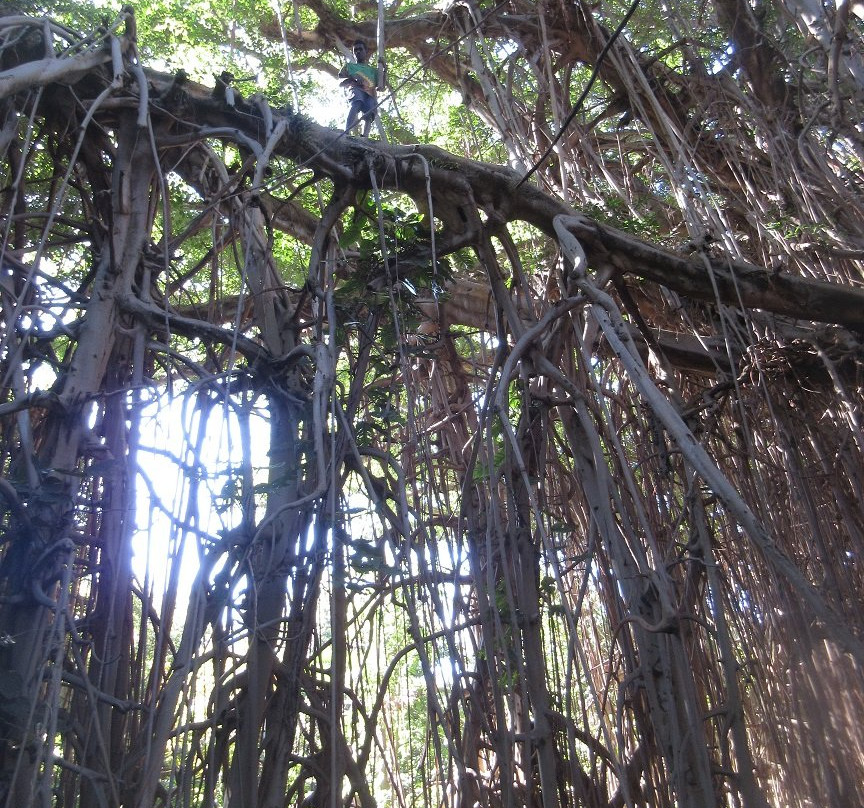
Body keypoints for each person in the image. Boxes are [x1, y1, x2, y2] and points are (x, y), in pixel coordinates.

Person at [339, 40, 378, 136]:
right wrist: (352, 80)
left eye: (360, 49)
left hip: (370, 94)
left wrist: (384, 70)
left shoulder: (374, 71)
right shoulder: (349, 66)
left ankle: (365, 135)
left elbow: (381, 86)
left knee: (370, 112)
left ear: (366, 51)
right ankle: (347, 131)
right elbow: (340, 79)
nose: (358, 52)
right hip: (356, 88)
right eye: (355, 50)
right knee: (357, 103)